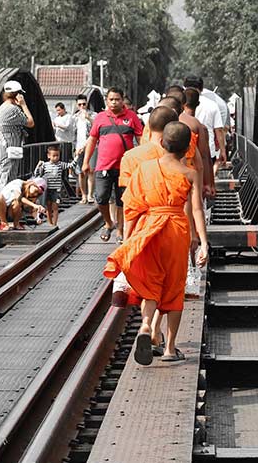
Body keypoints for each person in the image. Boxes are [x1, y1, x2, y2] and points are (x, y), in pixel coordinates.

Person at [103, 121, 209, 364]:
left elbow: (131, 206)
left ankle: (147, 326)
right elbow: (196, 210)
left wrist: (128, 240)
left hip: (149, 228)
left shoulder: (145, 169)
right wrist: (203, 243)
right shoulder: (190, 173)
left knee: (151, 285)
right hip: (176, 230)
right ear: (187, 149)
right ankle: (170, 349)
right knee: (174, 288)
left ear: (162, 143)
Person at [81, 87, 144, 243]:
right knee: (101, 197)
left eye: (117, 99)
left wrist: (145, 158)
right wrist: (86, 162)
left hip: (126, 167)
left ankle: (120, 231)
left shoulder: (131, 117)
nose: (114, 102)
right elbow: (92, 140)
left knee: (123, 200)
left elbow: (141, 138)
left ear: (123, 100)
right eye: (111, 99)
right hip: (104, 166)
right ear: (106, 101)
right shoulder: (101, 118)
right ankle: (108, 223)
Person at [165, 86, 215, 199]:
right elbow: (204, 156)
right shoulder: (195, 124)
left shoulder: (157, 123)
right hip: (190, 175)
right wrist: (208, 184)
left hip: (163, 177)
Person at [0, 80, 35, 197]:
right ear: (17, 94)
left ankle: (4, 209)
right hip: (9, 150)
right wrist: (23, 105)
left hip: (1, 148)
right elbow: (30, 122)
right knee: (6, 182)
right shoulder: (13, 110)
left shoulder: (1, 108)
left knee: (3, 178)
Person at [184, 75, 226, 176]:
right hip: (207, 150)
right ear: (202, 88)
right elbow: (219, 130)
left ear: (184, 87)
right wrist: (222, 150)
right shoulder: (212, 105)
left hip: (184, 150)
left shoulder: (182, 103)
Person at [34, 145, 78, 226]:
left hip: (56, 190)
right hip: (47, 189)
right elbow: (37, 174)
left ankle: (54, 223)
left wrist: (77, 157)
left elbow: (71, 165)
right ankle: (50, 223)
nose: (56, 157)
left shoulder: (60, 164)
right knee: (48, 207)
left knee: (55, 207)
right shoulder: (45, 165)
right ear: (49, 156)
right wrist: (38, 166)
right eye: (54, 156)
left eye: (57, 155)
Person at [73, 94, 95, 204]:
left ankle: (90, 195)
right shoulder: (75, 117)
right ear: (77, 105)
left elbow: (97, 127)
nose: (82, 106)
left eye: (84, 104)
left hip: (91, 146)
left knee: (91, 170)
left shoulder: (93, 115)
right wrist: (74, 148)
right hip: (78, 147)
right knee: (80, 172)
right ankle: (84, 195)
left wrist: (89, 118)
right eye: (80, 104)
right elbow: (72, 133)